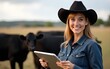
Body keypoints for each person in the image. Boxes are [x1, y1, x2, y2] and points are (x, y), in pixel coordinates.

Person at [39, 1, 103, 69]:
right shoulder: (64, 46)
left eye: (80, 19)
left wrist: (74, 67)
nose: (76, 23)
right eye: (72, 19)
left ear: (86, 22)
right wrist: (48, 65)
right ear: (68, 22)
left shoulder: (92, 45)